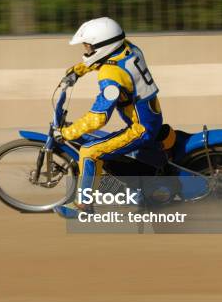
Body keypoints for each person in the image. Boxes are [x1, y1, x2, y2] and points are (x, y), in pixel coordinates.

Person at [53, 17, 163, 219]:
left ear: (102, 45)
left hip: (141, 129)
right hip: (151, 115)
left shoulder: (110, 76)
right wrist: (78, 71)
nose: (85, 50)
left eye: (88, 46)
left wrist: (68, 132)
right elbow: (105, 59)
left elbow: (98, 118)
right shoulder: (128, 48)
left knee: (89, 151)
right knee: (104, 144)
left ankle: (84, 207)